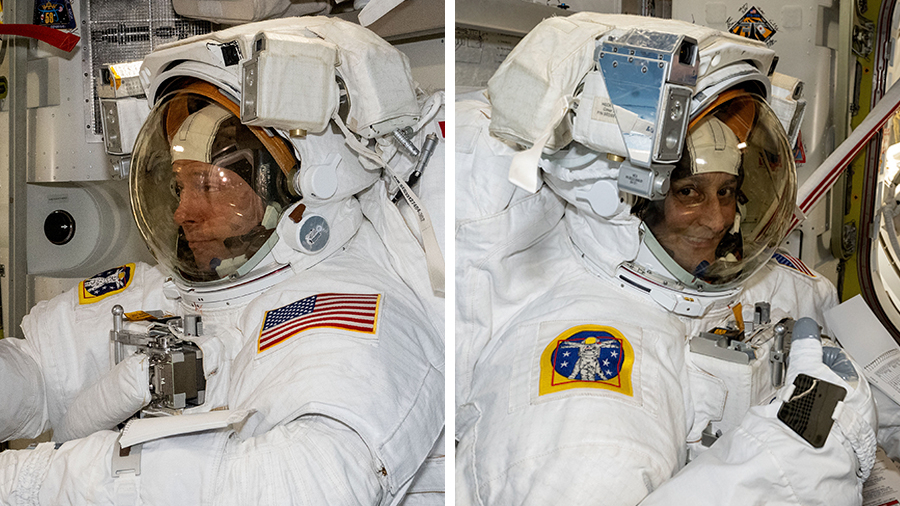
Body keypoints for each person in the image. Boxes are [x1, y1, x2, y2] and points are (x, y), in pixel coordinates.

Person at [0, 16, 445, 505]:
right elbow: (39, 375)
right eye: (179, 185)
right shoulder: (161, 291)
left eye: (207, 186)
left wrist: (27, 483)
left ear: (294, 184)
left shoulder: (349, 311)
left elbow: (307, 482)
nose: (182, 211)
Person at [456, 12, 878, 505]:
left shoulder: (756, 280)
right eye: (689, 192)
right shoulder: (587, 395)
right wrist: (809, 453)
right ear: (629, 199)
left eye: (728, 191)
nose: (718, 219)